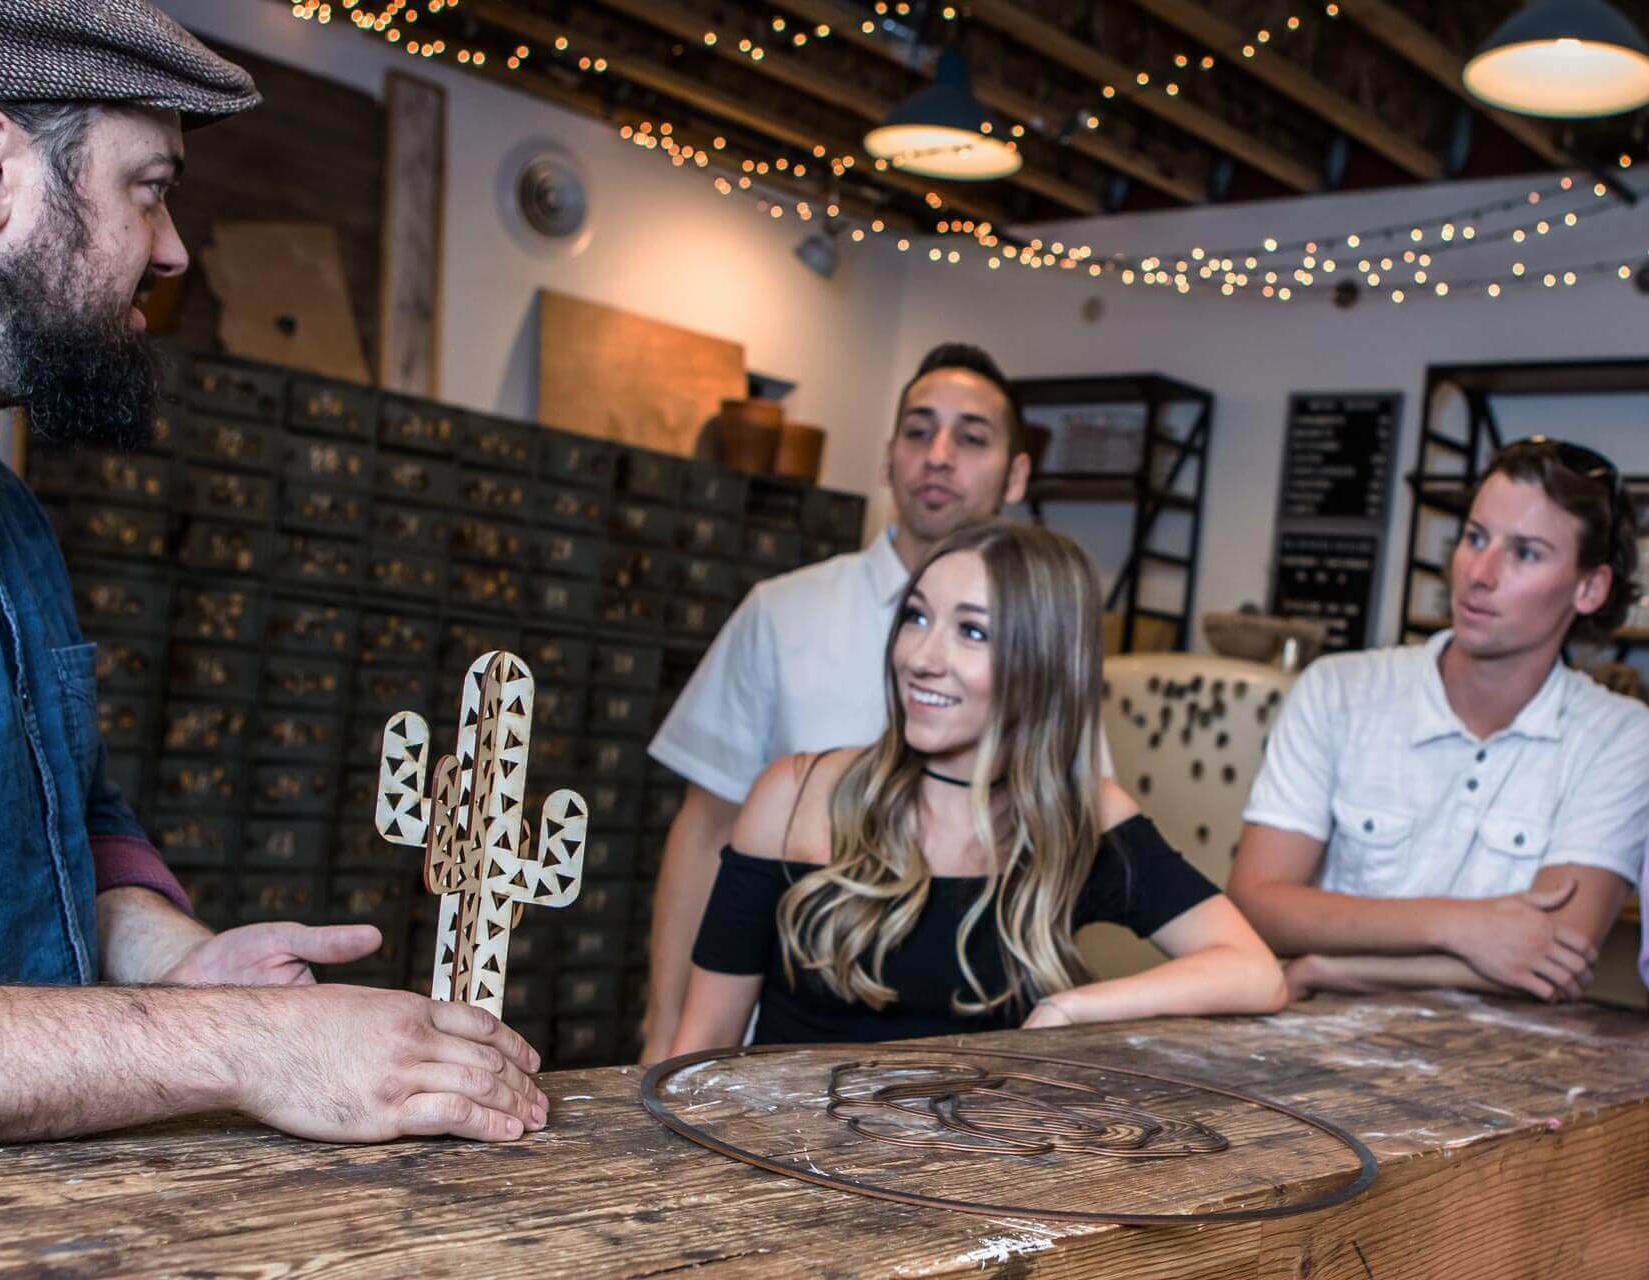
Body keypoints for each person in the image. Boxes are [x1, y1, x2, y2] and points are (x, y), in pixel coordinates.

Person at [0, 0, 543, 1165]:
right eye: (147, 186)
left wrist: (167, 953)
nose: (172, 249)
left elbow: (58, 821)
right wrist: (237, 1043)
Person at [643, 343, 1123, 1060]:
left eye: (971, 437)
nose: (938, 454)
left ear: (1017, 473)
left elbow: (1065, 833)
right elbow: (705, 828)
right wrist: (664, 1024)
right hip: (776, 1048)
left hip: (975, 1070)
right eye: (917, 430)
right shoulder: (782, 611)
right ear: (888, 455)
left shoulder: (1044, 652)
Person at [668, 521, 1285, 1054]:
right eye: (916, 617)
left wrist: (1077, 1008)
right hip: (787, 1166)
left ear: (1042, 662)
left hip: (979, 1174)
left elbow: (1254, 972)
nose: (919, 656)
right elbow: (702, 1045)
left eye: (972, 632)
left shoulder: (1084, 816)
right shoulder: (796, 796)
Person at [1230, 437, 1649, 1005]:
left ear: (1590, 587)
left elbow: (1557, 956)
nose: (1480, 572)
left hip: (1500, 1073)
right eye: (1475, 538)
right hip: (1313, 1057)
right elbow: (1256, 903)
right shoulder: (1338, 689)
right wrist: (1460, 925)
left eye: (1525, 553)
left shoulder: (1622, 736)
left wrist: (1328, 966)